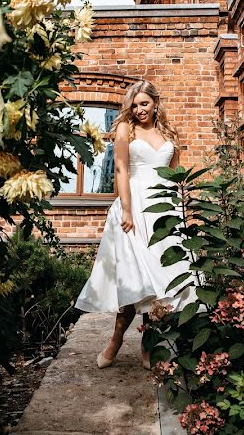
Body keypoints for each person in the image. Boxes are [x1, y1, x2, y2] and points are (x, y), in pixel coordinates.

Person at [75, 80, 195, 369]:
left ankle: (147, 344)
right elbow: (121, 170)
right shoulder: (125, 130)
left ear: (155, 103)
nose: (140, 109)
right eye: (135, 104)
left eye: (145, 103)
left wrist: (184, 206)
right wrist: (126, 210)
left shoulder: (169, 132)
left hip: (164, 211)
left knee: (159, 279)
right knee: (135, 278)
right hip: (135, 207)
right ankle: (116, 339)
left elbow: (176, 174)